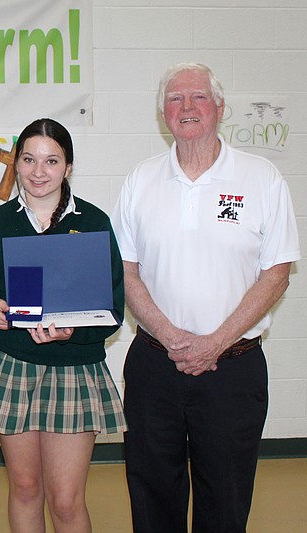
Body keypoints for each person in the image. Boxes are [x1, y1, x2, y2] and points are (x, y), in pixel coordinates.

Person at [111, 62, 301, 533]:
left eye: (198, 97)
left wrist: (215, 341)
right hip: (156, 364)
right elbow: (125, 270)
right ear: (163, 114)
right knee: (153, 496)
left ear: (219, 107)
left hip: (233, 368)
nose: (187, 107)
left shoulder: (262, 179)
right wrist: (172, 335)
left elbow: (276, 274)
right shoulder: (140, 180)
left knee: (227, 497)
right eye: (175, 99)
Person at [0, 118, 127, 533]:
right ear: (16, 164)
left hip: (75, 369)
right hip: (13, 365)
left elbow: (113, 309)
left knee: (66, 500)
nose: (38, 171)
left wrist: (75, 330)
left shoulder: (93, 222)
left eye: (51, 161)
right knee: (26, 487)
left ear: (68, 167)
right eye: (29, 159)